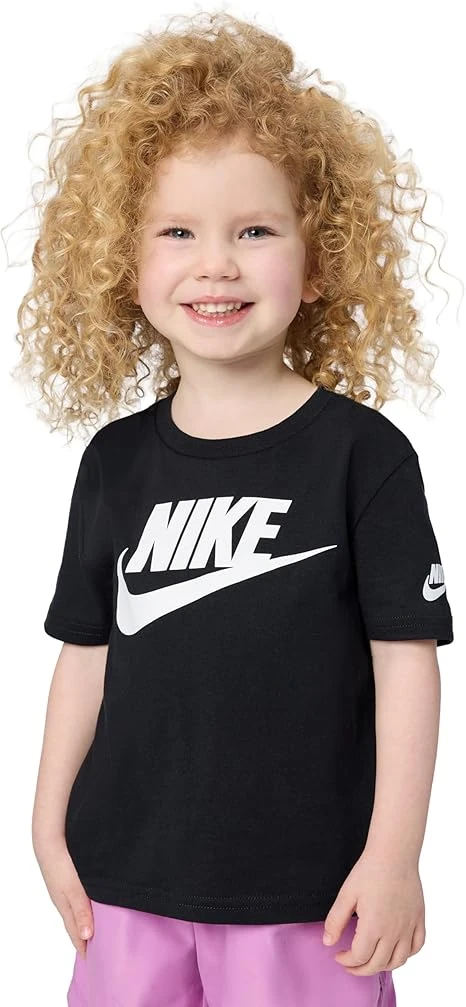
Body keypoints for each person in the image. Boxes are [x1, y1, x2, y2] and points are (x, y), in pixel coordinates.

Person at [16, 10, 456, 1007]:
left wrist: (394, 856)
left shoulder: (363, 456)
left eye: (254, 230)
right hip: (123, 886)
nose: (215, 263)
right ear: (123, 260)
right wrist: (45, 826)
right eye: (177, 231)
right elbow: (85, 655)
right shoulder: (115, 463)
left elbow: (406, 665)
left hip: (309, 898)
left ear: (320, 255)